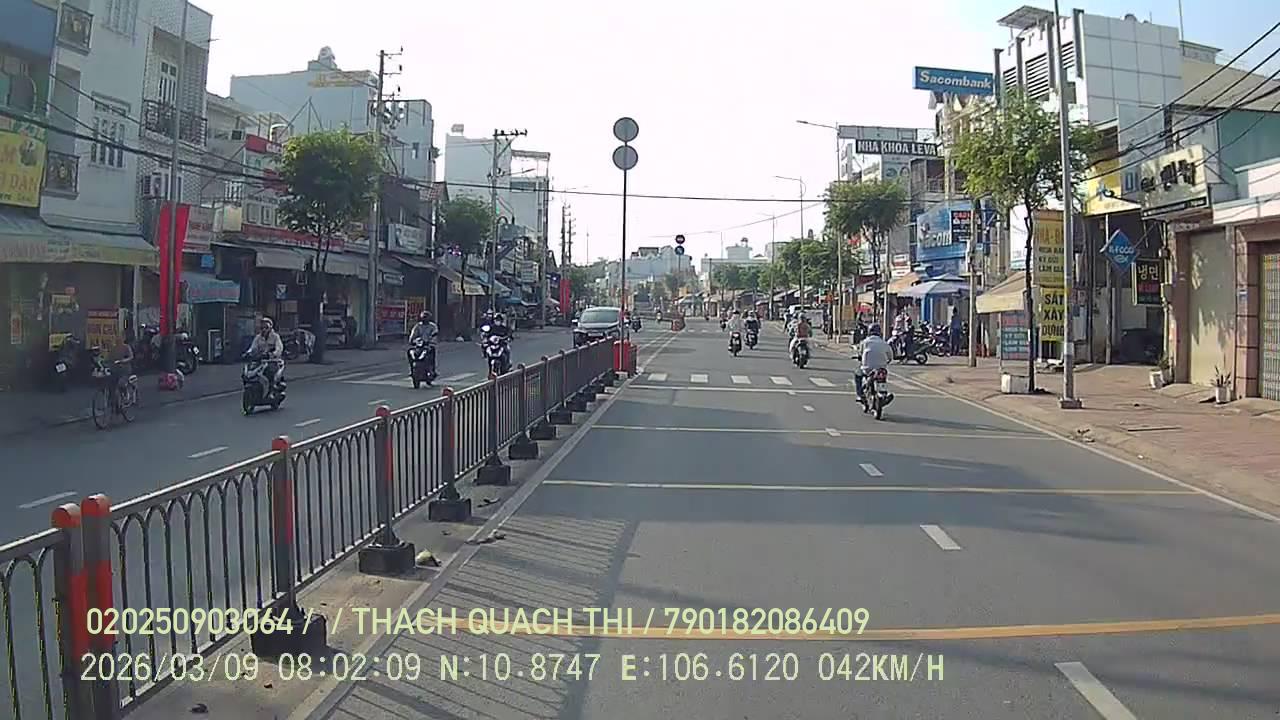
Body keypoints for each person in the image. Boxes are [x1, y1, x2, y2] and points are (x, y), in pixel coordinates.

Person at [854, 323, 895, 403]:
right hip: (881, 369)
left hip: (867, 369)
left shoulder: (865, 342)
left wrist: (860, 357)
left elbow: (860, 353)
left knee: (857, 375)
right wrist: (887, 361)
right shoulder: (884, 343)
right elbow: (890, 356)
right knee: (883, 377)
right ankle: (883, 393)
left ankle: (860, 395)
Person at [248, 317, 285, 387]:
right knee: (250, 373)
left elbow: (279, 349)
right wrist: (248, 353)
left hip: (273, 361)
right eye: (262, 328)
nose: (264, 329)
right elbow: (253, 347)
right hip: (260, 361)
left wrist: (272, 354)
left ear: (270, 327)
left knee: (270, 373)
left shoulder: (275, 337)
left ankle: (272, 387)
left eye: (266, 327)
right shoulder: (258, 337)